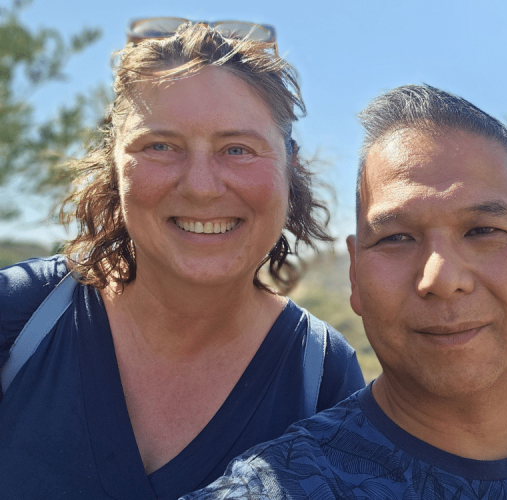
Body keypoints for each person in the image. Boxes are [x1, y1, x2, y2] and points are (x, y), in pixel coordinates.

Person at [182, 84, 507, 499]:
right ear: (356, 278)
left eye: (483, 231)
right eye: (397, 238)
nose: (441, 277)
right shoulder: (287, 485)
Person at [0, 20, 365, 499]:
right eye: (160, 146)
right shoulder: (21, 316)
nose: (200, 185)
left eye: (237, 149)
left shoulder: (321, 374)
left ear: (289, 167)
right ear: (114, 163)